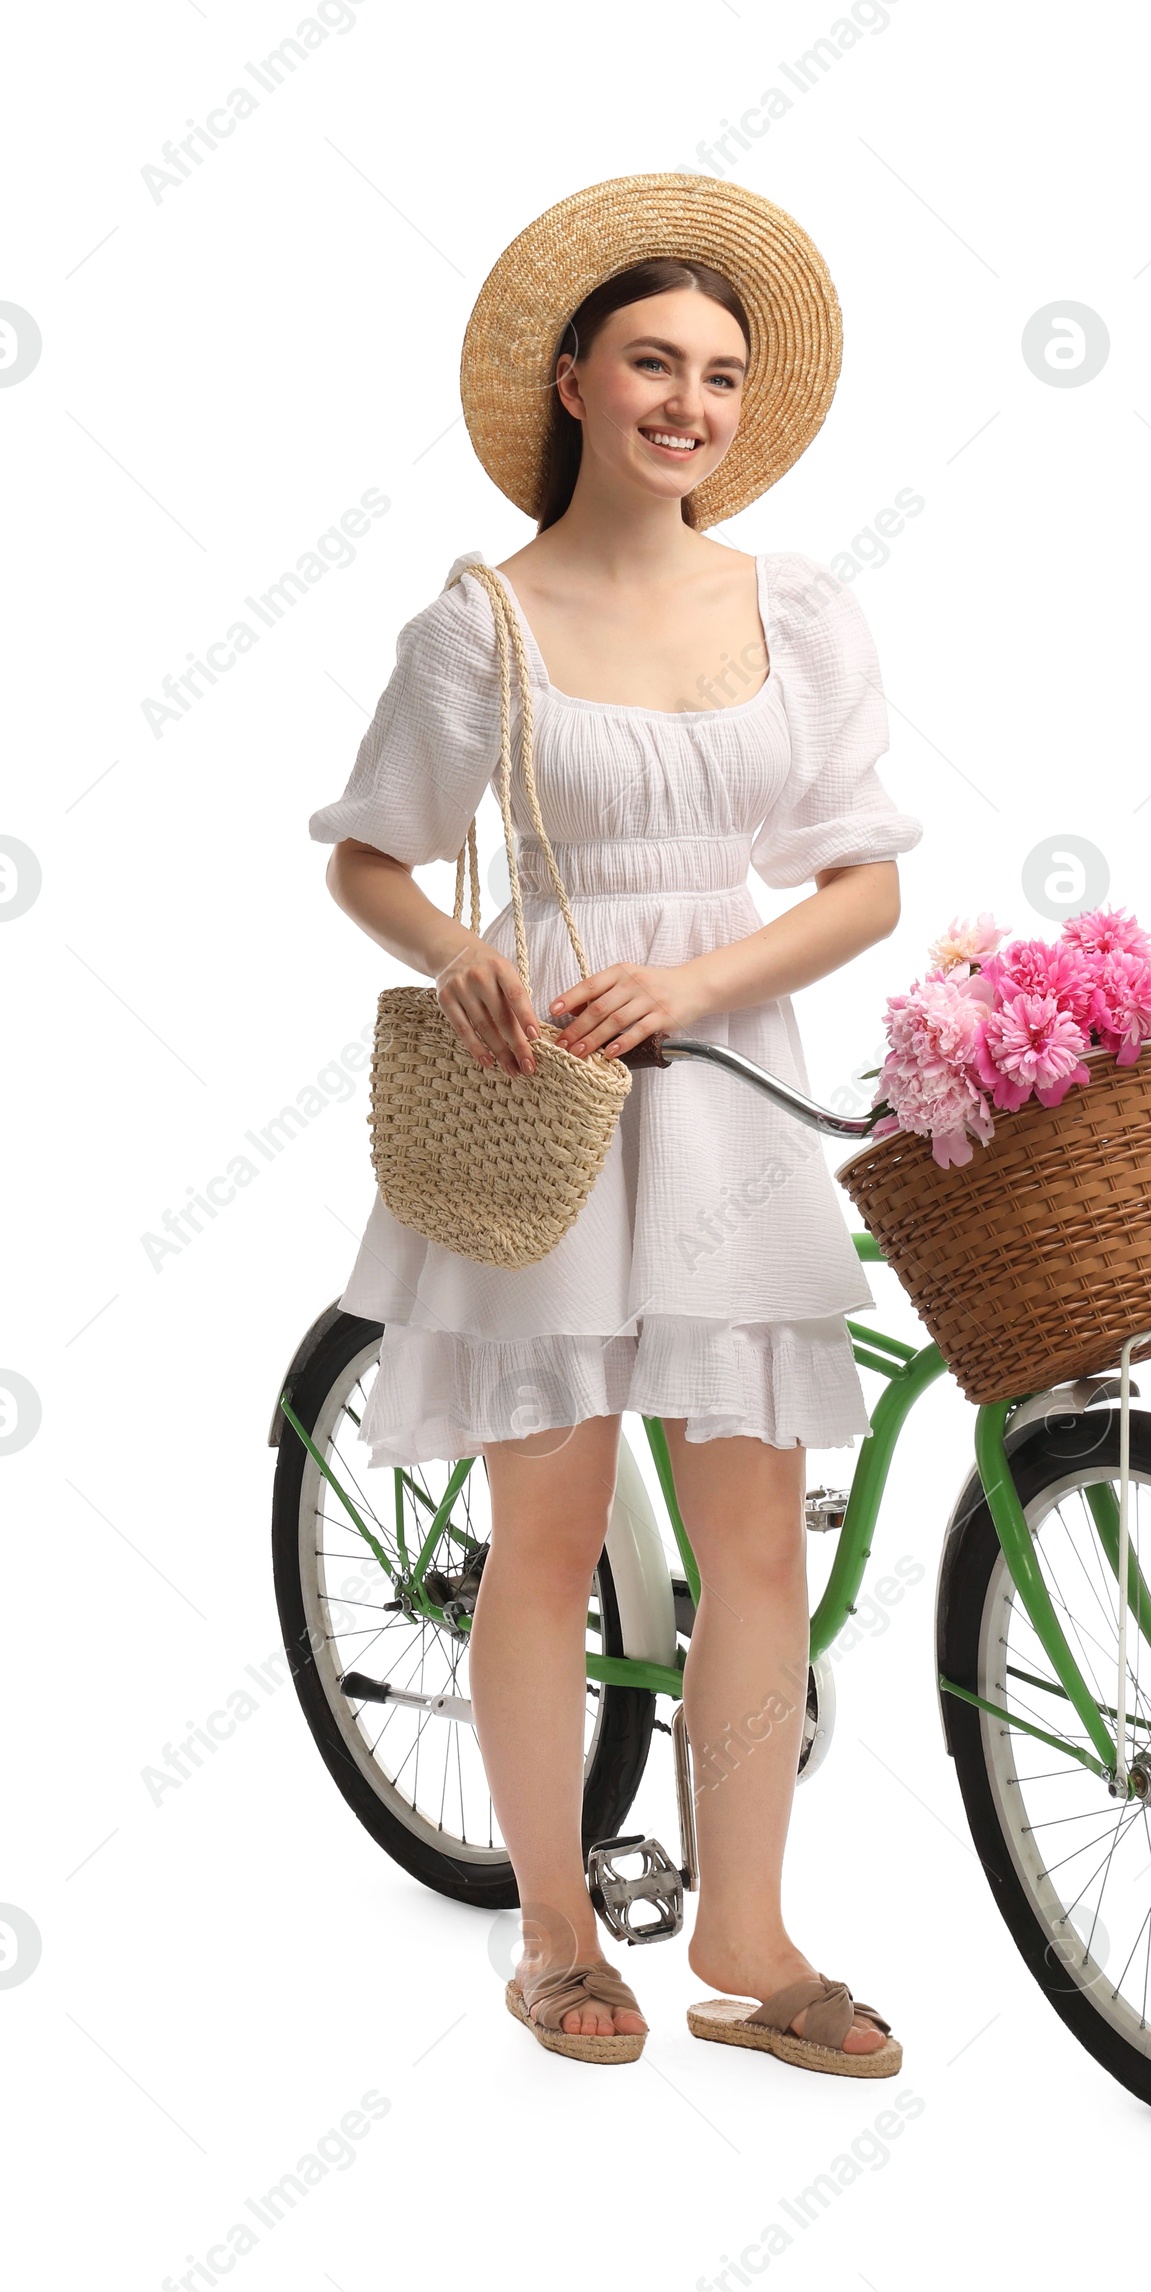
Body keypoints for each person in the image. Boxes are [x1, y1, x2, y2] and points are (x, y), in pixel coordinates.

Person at [308, 176, 920, 2076]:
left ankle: (747, 1940)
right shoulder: (478, 625)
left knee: (756, 1544)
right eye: (654, 361)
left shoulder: (793, 607)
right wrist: (460, 953)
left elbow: (860, 884)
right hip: (542, 1085)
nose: (690, 402)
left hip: (722, 1083)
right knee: (550, 1532)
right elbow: (369, 860)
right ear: (573, 380)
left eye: (722, 377)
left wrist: (699, 983)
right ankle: (560, 1933)